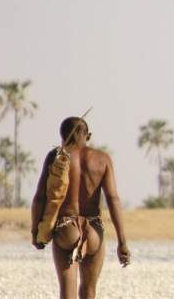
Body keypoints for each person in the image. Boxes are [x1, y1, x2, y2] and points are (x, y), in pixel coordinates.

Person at [31, 116, 131, 299]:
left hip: (66, 229)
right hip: (94, 231)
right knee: (89, 291)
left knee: (67, 294)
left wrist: (35, 231)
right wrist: (122, 242)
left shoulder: (56, 157)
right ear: (88, 135)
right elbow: (113, 198)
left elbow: (39, 197)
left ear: (63, 136)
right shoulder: (103, 159)